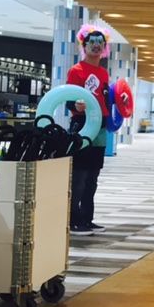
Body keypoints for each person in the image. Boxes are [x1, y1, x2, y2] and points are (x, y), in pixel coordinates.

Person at [66, 24, 111, 236]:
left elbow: (104, 98)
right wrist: (76, 106)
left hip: (100, 127)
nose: (96, 46)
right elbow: (68, 99)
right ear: (84, 45)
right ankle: (73, 220)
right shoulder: (76, 71)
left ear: (104, 48)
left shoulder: (103, 73)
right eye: (92, 42)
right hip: (81, 125)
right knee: (79, 176)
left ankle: (87, 219)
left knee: (93, 177)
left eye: (100, 43)